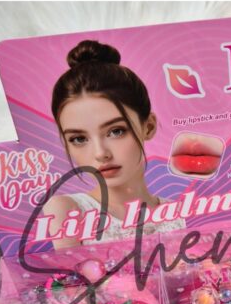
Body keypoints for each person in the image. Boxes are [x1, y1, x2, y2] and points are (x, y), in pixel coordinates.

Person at [45, 39, 184, 248]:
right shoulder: (67, 210)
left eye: (116, 131)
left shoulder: (176, 212)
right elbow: (70, 272)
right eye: (79, 139)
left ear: (148, 127)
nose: (100, 153)